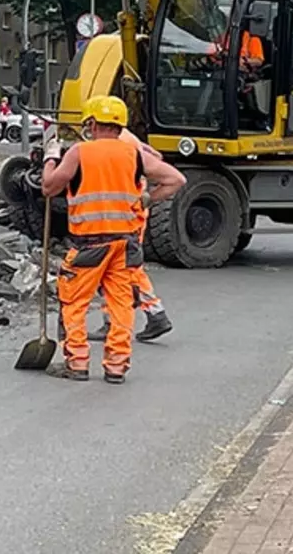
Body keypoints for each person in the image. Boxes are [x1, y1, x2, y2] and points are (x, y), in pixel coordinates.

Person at [41, 96, 186, 383]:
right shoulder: (134, 154)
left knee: (74, 302)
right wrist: (146, 200)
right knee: (121, 304)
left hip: (88, 245)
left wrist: (50, 157)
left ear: (92, 124)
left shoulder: (80, 152)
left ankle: (78, 363)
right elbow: (176, 180)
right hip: (124, 244)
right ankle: (117, 366)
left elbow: (48, 187)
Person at [89, 126, 174, 343]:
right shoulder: (126, 136)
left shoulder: (117, 141)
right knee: (118, 267)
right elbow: (155, 155)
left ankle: (154, 313)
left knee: (126, 267)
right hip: (127, 212)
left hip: (124, 215)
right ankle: (114, 319)